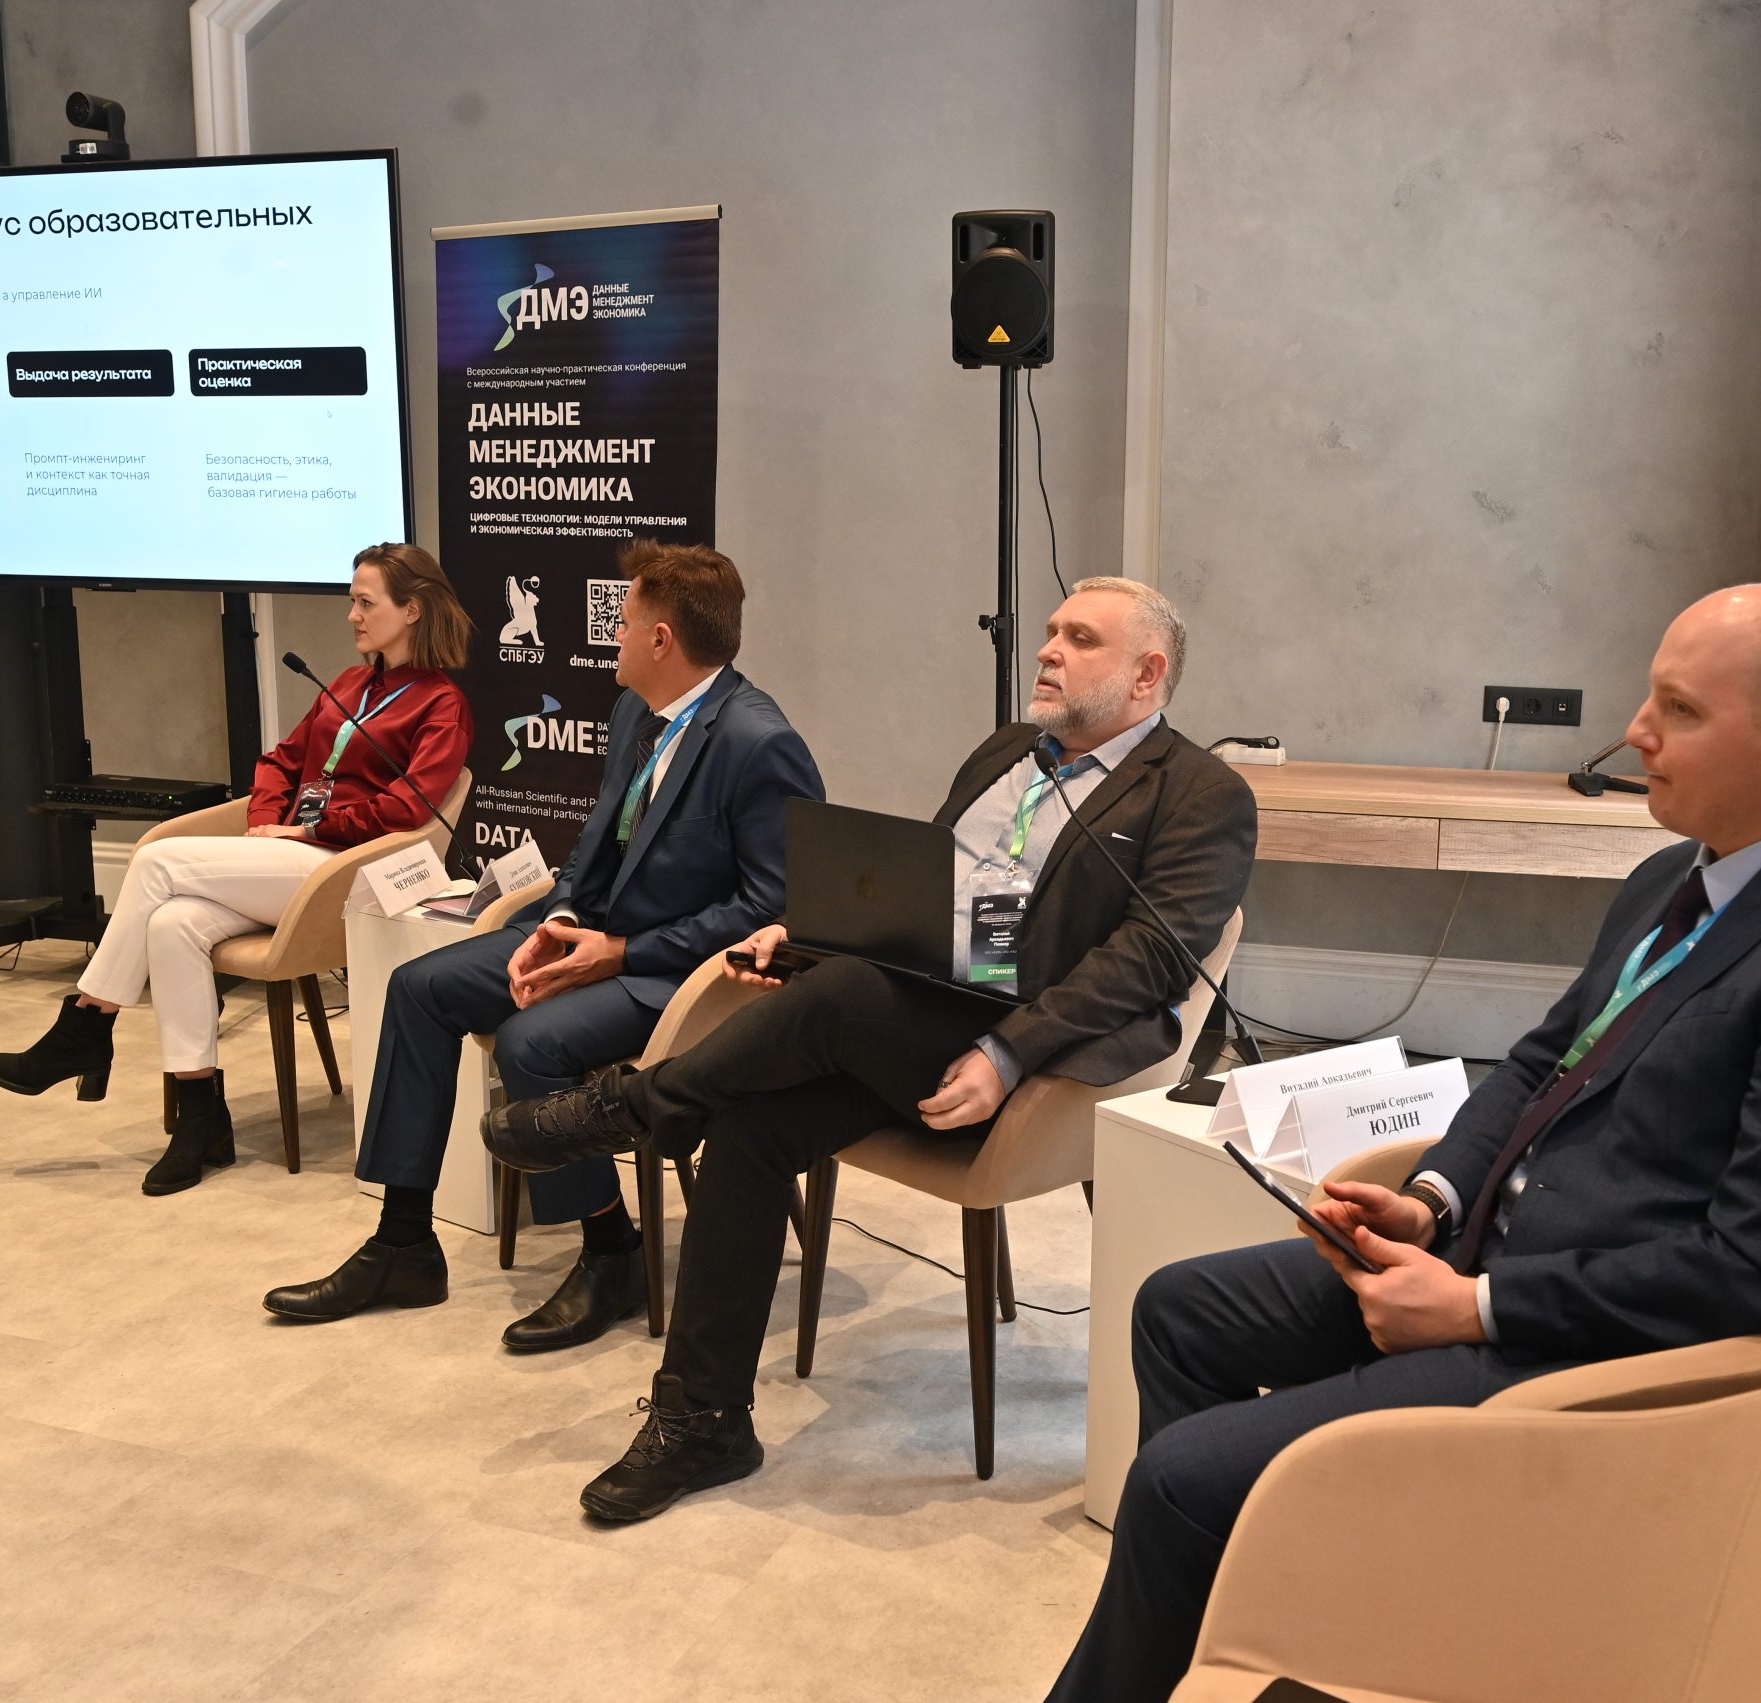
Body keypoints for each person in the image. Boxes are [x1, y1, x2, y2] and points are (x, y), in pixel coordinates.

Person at [1039, 583, 1761, 1703]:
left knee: (1178, 1482)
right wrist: (1432, 1197)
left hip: (1597, 1357)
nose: (1636, 731)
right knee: (1181, 1310)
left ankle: (1224, 1595)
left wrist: (1475, 1307)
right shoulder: (1675, 876)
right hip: (1496, 1255)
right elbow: (1537, 1063)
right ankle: (1258, 1613)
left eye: (1678, 708)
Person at [482, 575, 1260, 1521]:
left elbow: (1145, 962)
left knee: (844, 998)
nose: (1048, 648)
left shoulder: (1202, 794)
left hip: (1033, 1055)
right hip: (914, 1013)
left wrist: (1008, 1051)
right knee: (753, 1122)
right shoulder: (1007, 751)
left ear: (1147, 674)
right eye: (1052, 630)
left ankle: (637, 1105)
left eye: (1080, 638)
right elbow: (912, 892)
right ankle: (704, 1419)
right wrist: (803, 933)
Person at [260, 540, 825, 1342]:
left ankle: (611, 1250)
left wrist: (621, 953)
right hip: (595, 938)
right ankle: (403, 1242)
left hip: (678, 976)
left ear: (662, 639)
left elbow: (775, 905)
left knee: (534, 1041)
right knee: (420, 988)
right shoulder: (635, 710)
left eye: (624, 621)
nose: (613, 634)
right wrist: (559, 921)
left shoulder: (757, 741)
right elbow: (596, 841)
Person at [0, 542, 474, 1196]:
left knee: (155, 861)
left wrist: (308, 828)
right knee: (173, 924)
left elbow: (408, 807)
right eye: (351, 601)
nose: (351, 615)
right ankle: (201, 1118)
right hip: (287, 858)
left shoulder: (441, 704)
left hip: (350, 871)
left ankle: (87, 1023)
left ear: (411, 610)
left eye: (365, 602)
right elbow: (280, 762)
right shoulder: (348, 685)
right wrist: (266, 821)